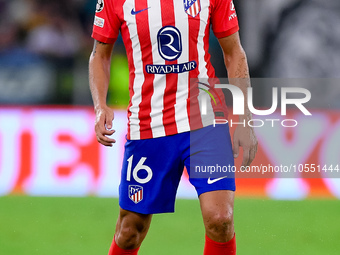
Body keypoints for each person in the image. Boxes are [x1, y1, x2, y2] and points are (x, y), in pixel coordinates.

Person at [89, 0, 257, 254]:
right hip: (148, 125)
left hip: (205, 119)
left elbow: (235, 53)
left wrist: (244, 118)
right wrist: (100, 105)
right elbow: (99, 55)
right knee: (130, 230)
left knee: (220, 218)